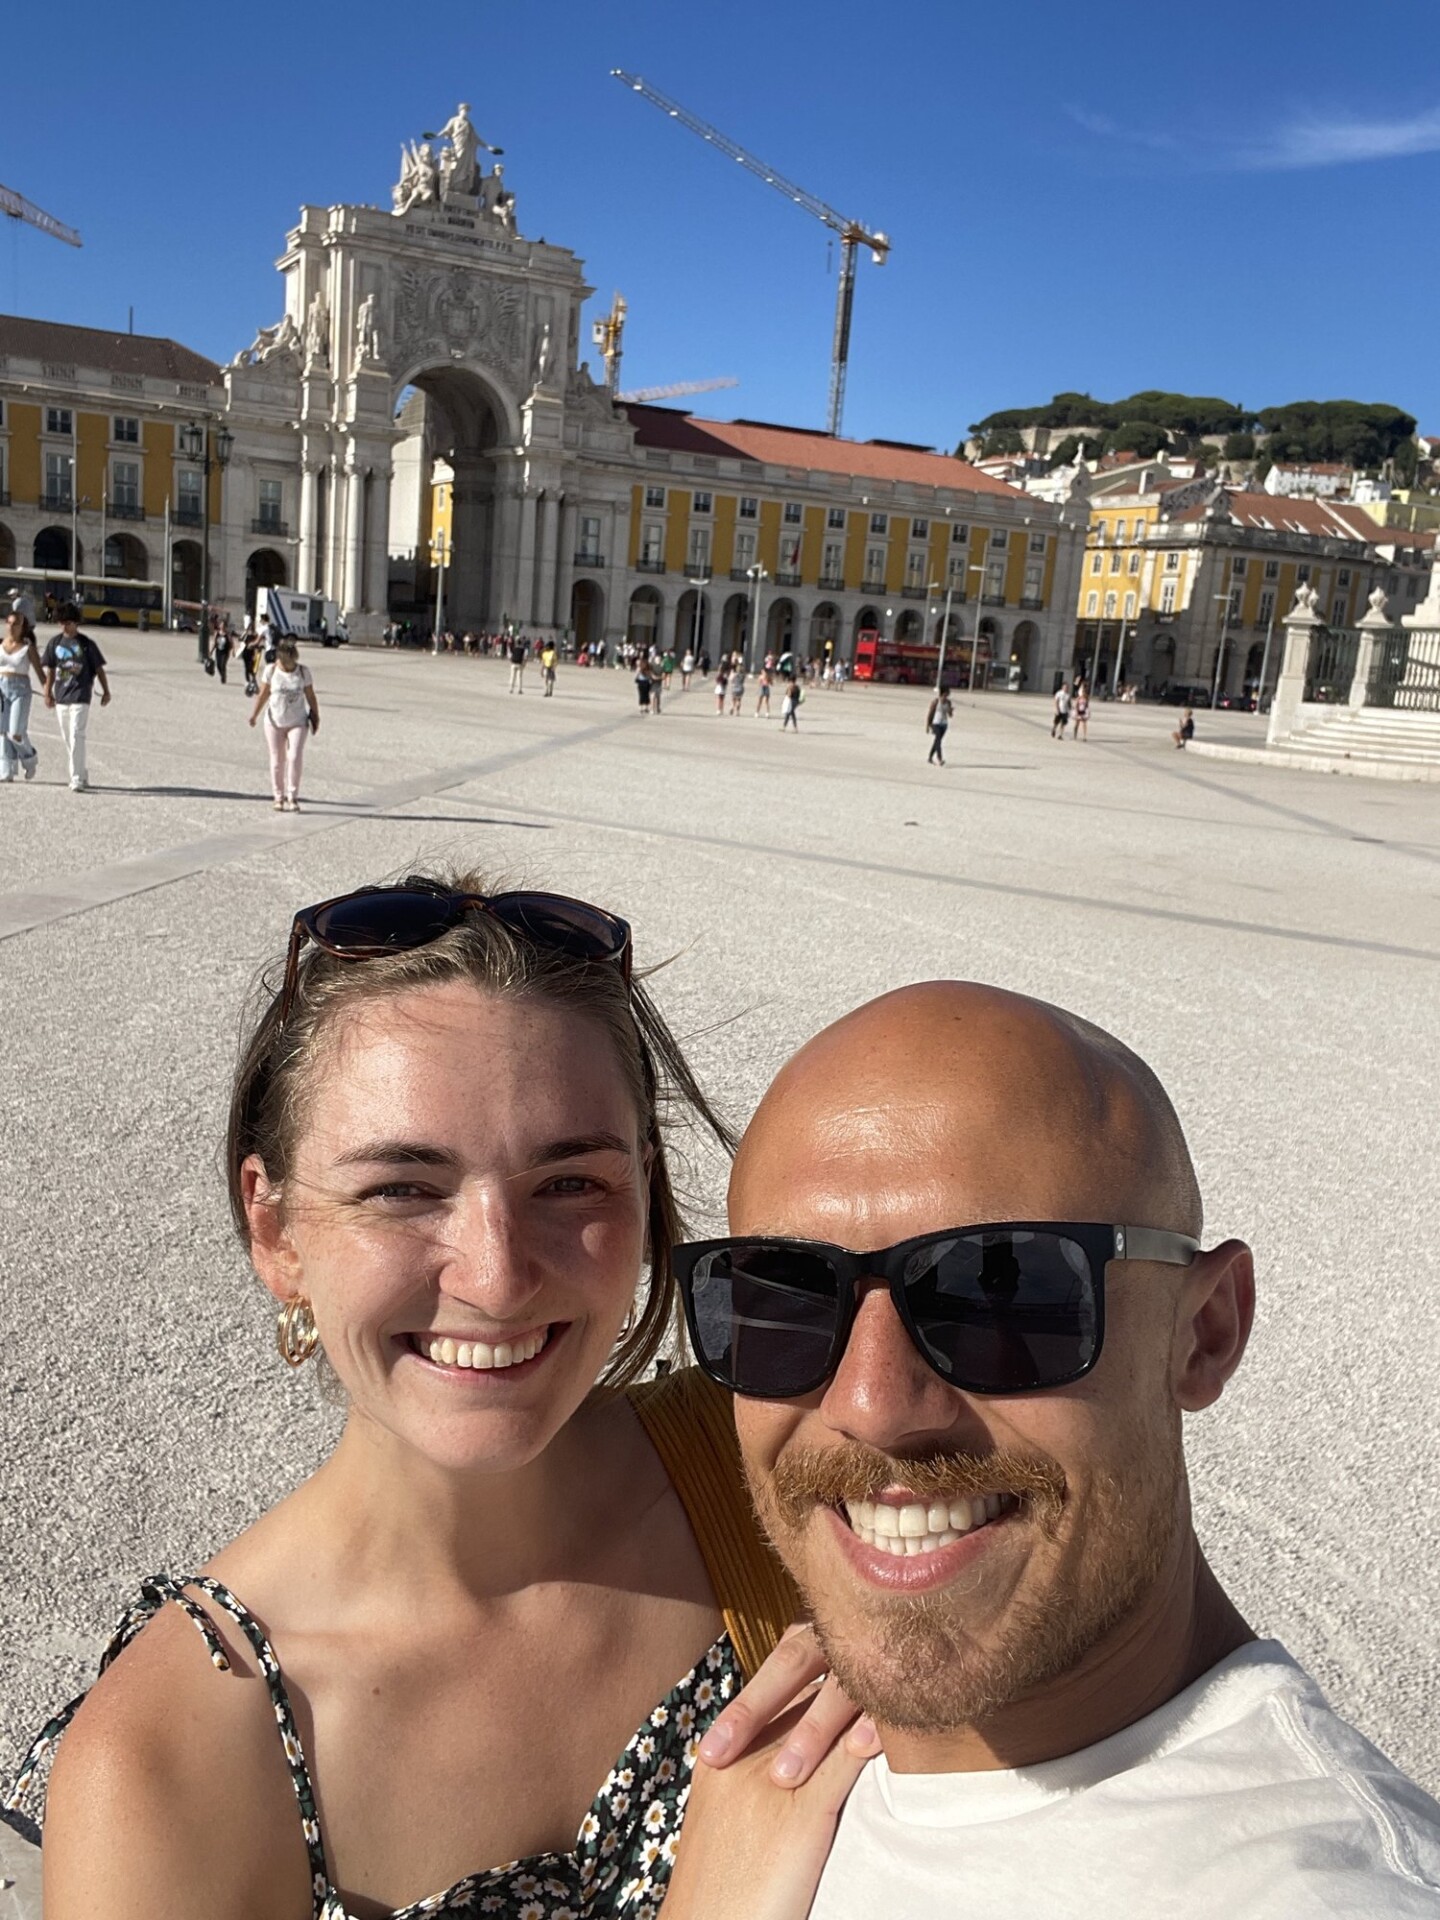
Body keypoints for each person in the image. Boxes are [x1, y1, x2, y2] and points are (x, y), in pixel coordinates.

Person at [6, 871, 815, 1917]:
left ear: (646, 1189)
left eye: (569, 1181)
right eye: (401, 1189)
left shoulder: (771, 1469)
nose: (497, 1275)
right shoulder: (174, 1761)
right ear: (276, 1230)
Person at [669, 982, 1440, 1918]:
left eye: (997, 1290)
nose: (873, 1404)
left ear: (1205, 1332)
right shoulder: (762, 1796)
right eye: (783, 1297)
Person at [41, 604, 111, 793]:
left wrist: (106, 691)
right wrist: (48, 693)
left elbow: (99, 669)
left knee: (76, 734)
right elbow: (51, 671)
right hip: (62, 697)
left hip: (81, 695)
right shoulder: (55, 643)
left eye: (68, 623)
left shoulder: (87, 644)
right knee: (67, 737)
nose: (65, 627)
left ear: (76, 623)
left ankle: (76, 778)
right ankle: (82, 771)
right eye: (61, 623)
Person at [249, 638, 318, 811]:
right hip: (274, 721)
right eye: (285, 661)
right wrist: (254, 715)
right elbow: (263, 694)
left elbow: (310, 696)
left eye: (291, 661)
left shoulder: (303, 672)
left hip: (298, 721)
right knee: (277, 759)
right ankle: (278, 797)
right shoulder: (271, 671)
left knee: (294, 756)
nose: (288, 664)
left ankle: (292, 797)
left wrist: (316, 715)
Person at [0, 609, 45, 782]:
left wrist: (48, 693)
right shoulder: (1, 645)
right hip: (1, 688)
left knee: (16, 732)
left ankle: (30, 759)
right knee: (3, 731)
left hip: (21, 690)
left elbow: (41, 674)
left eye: (16, 624)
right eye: (9, 623)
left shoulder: (28, 648)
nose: (12, 627)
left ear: (22, 628)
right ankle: (7, 770)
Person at [925, 689, 953, 766]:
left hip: (944, 725)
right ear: (941, 695)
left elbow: (950, 715)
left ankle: (930, 757)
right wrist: (927, 725)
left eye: (947, 696)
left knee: (937, 741)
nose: (946, 697)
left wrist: (950, 711)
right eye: (945, 695)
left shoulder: (948, 702)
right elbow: (930, 713)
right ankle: (939, 758)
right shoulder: (935, 702)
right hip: (935, 723)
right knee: (938, 740)